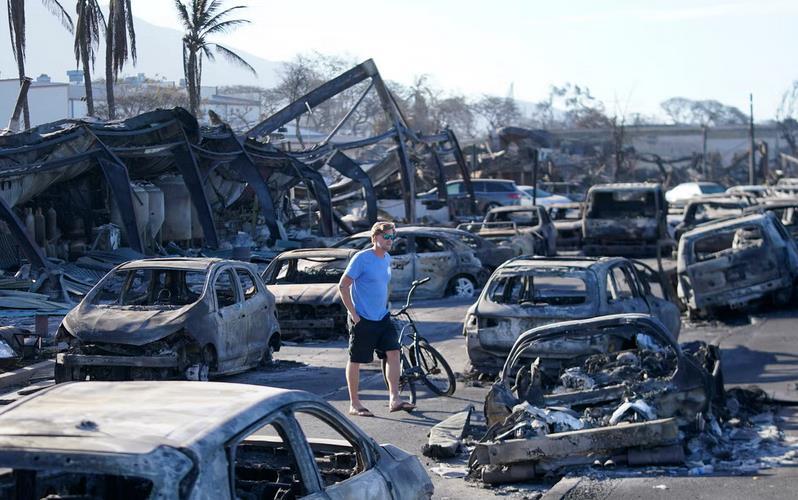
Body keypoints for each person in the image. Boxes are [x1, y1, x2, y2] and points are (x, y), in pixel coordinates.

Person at [338, 221, 415, 417]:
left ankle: (394, 398)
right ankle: (354, 404)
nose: (390, 240)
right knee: (356, 360)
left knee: (394, 352)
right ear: (375, 238)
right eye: (385, 237)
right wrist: (354, 315)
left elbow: (383, 285)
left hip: (382, 317)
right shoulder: (362, 258)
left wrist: (386, 305)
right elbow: (343, 286)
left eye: (392, 237)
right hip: (362, 318)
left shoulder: (387, 258)